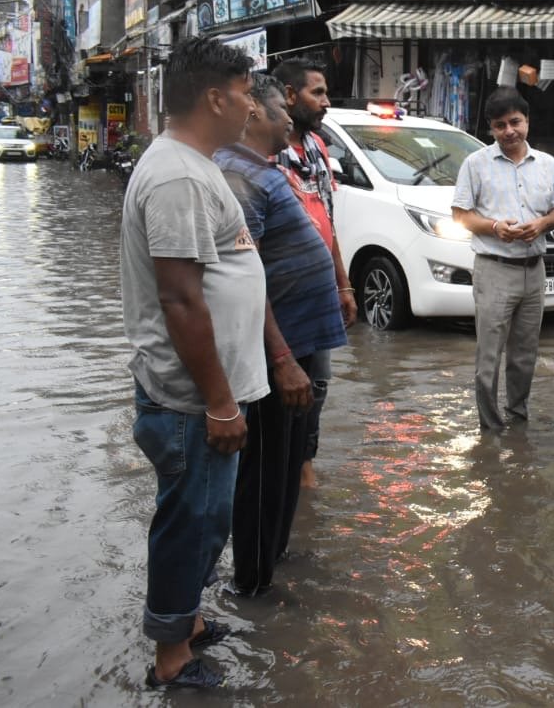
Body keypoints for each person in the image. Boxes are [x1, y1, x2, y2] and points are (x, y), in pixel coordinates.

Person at [120, 36, 267, 689]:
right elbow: (180, 299)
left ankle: (187, 620)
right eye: (244, 93)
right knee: (191, 523)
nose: (251, 106)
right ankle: (171, 658)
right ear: (214, 98)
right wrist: (220, 401)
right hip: (190, 399)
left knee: (205, 518)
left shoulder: (194, 164)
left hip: (202, 395)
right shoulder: (177, 175)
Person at [215, 74, 348, 596]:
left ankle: (276, 555)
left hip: (298, 346)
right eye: (280, 109)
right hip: (278, 352)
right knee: (266, 469)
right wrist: (282, 359)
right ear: (255, 114)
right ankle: (253, 585)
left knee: (287, 462)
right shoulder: (239, 176)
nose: (289, 118)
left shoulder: (266, 170)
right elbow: (246, 275)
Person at [452, 87, 554, 430]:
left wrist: (542, 225)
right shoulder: (475, 164)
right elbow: (460, 215)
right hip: (494, 269)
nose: (509, 131)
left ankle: (518, 420)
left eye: (515, 122)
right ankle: (490, 428)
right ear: (491, 128)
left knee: (525, 354)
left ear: (527, 121)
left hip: (534, 270)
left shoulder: (548, 164)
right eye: (500, 125)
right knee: (488, 355)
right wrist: (494, 227)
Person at [272, 58, 356, 489]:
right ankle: (282, 468)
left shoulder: (318, 147)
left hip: (319, 286)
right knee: (283, 380)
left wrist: (343, 283)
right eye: (317, 93)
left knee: (317, 381)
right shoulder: (268, 150)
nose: (326, 102)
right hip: (281, 291)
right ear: (290, 95)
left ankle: (303, 462)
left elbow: (327, 219)